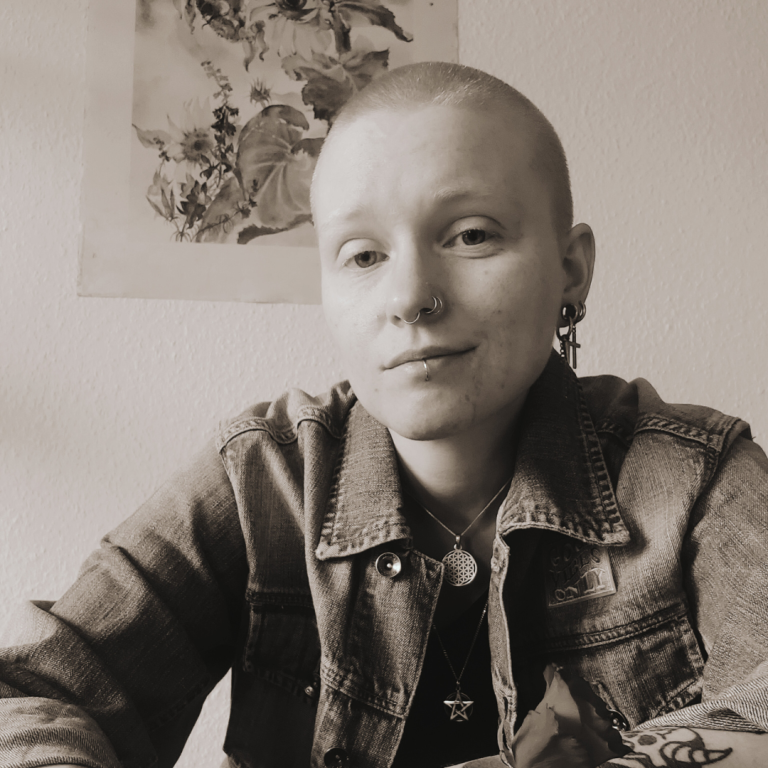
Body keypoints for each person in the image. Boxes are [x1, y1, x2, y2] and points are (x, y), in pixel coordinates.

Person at [1, 61, 767, 768]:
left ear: (570, 270)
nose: (409, 298)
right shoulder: (261, 478)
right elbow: (35, 694)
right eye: (363, 255)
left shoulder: (695, 477)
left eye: (470, 235)